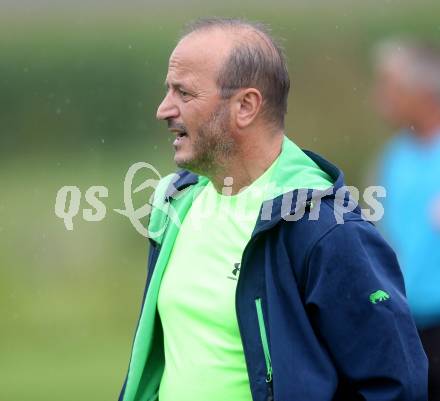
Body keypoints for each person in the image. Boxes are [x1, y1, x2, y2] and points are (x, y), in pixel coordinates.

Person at [119, 19, 427, 401]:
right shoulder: (175, 203)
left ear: (245, 106)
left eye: (184, 93)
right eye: (169, 91)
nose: (163, 110)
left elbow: (396, 385)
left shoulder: (325, 227)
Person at [374, 39, 440, 401]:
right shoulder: (394, 157)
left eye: (392, 88)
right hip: (409, 327)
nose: (382, 99)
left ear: (423, 91)